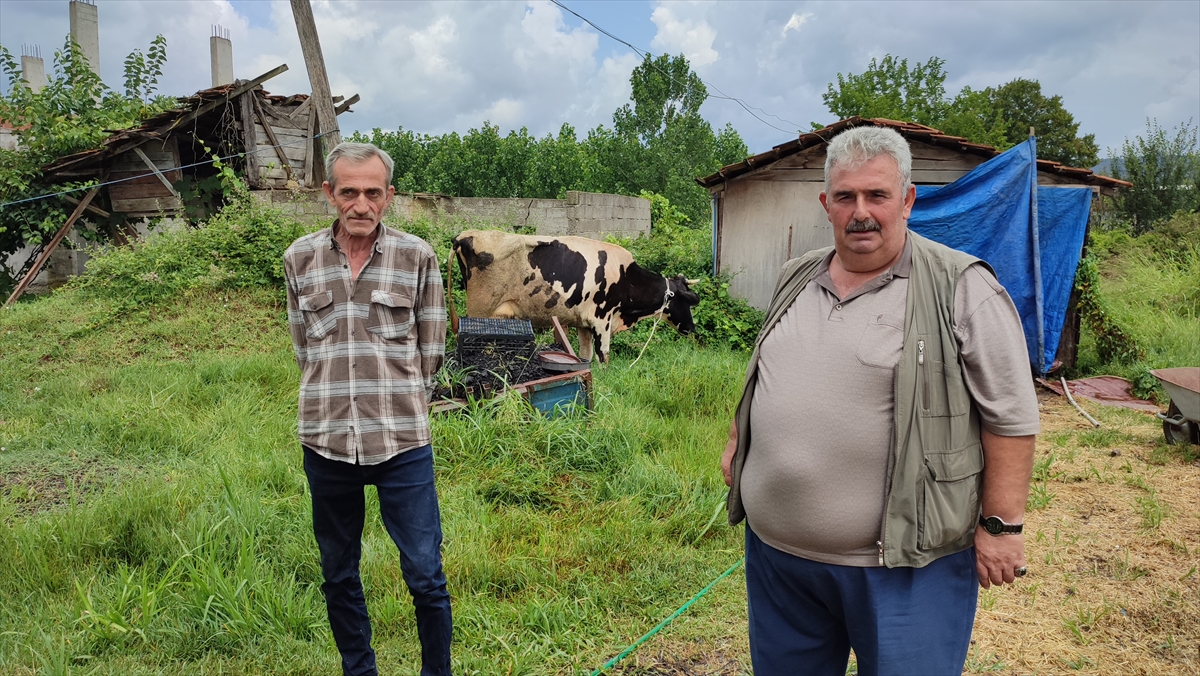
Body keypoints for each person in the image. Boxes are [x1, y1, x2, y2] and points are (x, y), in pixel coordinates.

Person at [719, 126, 1039, 675]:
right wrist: (736, 443)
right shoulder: (798, 275)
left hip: (907, 569)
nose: (860, 212)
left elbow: (1009, 417)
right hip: (780, 562)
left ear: (908, 199)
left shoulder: (962, 287)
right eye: (845, 197)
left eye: (877, 195)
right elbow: (767, 371)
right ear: (826, 204)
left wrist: (1001, 526)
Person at [283, 142, 452, 676]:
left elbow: (431, 351)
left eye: (372, 192)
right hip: (326, 442)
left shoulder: (418, 257)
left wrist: (400, 406)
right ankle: (359, 669)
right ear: (329, 193)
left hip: (402, 443)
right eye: (349, 191)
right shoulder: (299, 258)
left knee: (426, 573)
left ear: (389, 197)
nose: (361, 203)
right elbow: (303, 347)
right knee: (338, 571)